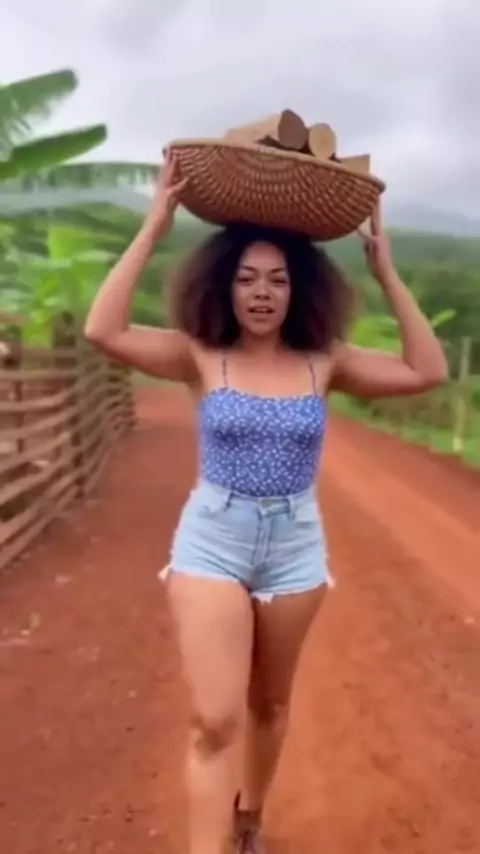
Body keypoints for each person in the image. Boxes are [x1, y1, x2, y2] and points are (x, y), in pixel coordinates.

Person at [84, 151, 448, 854]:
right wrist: (154, 226)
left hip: (294, 546)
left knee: (270, 704)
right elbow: (104, 331)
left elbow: (425, 370)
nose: (261, 293)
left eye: (277, 280)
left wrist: (387, 274)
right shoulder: (199, 354)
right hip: (213, 538)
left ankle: (250, 818)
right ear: (224, 286)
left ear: (297, 291)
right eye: (247, 278)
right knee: (213, 720)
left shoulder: (325, 360)